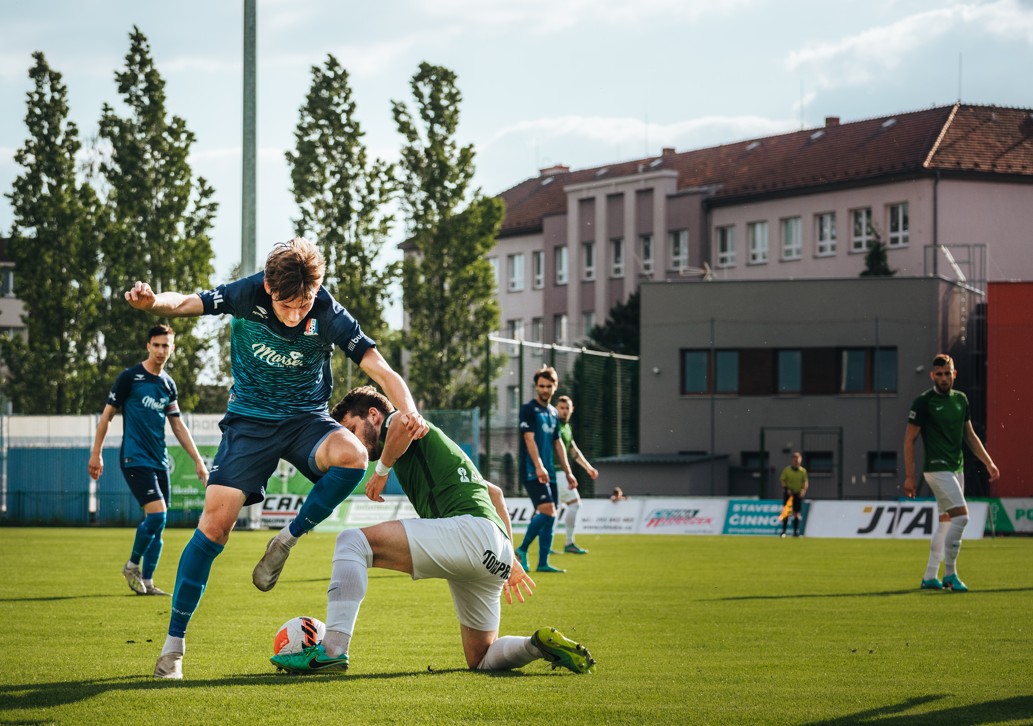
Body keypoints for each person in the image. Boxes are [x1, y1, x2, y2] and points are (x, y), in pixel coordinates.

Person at [126, 238, 427, 679]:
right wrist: (155, 304)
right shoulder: (247, 293)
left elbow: (380, 368)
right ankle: (173, 647)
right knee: (213, 528)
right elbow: (186, 303)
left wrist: (410, 409)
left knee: (354, 455)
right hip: (250, 423)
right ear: (268, 287)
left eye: (303, 303)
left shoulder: (327, 311)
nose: (295, 314)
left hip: (306, 420)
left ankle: (285, 539)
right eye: (287, 305)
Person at [269, 385, 595, 675]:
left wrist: (382, 471)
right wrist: (511, 559)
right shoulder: (436, 448)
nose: (352, 440)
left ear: (373, 414)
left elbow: (400, 422)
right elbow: (495, 495)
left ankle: (333, 650)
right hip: (493, 550)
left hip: (467, 532)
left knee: (352, 541)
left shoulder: (402, 421)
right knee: (480, 657)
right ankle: (537, 645)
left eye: (352, 429)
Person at [88, 324, 208, 596]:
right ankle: (132, 566)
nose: (161, 350)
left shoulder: (168, 384)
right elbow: (106, 416)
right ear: (148, 346)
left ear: (172, 349)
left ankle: (149, 582)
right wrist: (96, 453)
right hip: (135, 458)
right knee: (158, 515)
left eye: (166, 345)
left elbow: (178, 426)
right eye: (156, 345)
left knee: (160, 524)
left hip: (159, 461)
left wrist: (198, 461)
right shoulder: (130, 377)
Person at [904, 353, 999, 592]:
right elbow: (909, 440)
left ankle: (929, 577)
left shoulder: (961, 400)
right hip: (936, 468)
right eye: (939, 374)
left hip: (956, 468)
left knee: (946, 523)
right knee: (962, 517)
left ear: (954, 374)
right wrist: (909, 476)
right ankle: (950, 574)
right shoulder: (923, 402)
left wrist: (988, 462)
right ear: (932, 376)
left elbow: (970, 436)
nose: (944, 378)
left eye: (948, 373)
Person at [515, 366, 577, 574]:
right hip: (532, 470)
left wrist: (568, 472)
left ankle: (543, 562)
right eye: (541, 386)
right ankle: (522, 549)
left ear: (555, 387)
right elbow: (528, 438)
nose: (544, 390)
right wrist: (539, 466)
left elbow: (558, 444)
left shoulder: (552, 412)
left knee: (552, 515)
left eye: (549, 386)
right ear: (536, 387)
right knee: (549, 511)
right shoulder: (529, 409)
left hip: (549, 471)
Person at [555, 395, 598, 554]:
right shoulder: (554, 425)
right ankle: (568, 543)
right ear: (556, 409)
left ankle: (547, 547)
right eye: (561, 408)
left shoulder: (567, 427)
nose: (564, 411)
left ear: (572, 410)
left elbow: (573, 451)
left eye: (567, 408)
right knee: (574, 503)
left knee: (554, 511)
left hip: (558, 472)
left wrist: (588, 468)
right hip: (556, 471)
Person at [778, 452, 808, 538]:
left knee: (796, 513)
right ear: (792, 460)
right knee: (786, 512)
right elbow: (783, 480)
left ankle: (795, 532)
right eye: (795, 460)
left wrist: (803, 490)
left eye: (798, 459)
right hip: (789, 494)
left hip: (797, 494)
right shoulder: (787, 470)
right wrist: (787, 489)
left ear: (800, 460)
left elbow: (805, 482)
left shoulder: (803, 471)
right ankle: (783, 531)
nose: (796, 461)